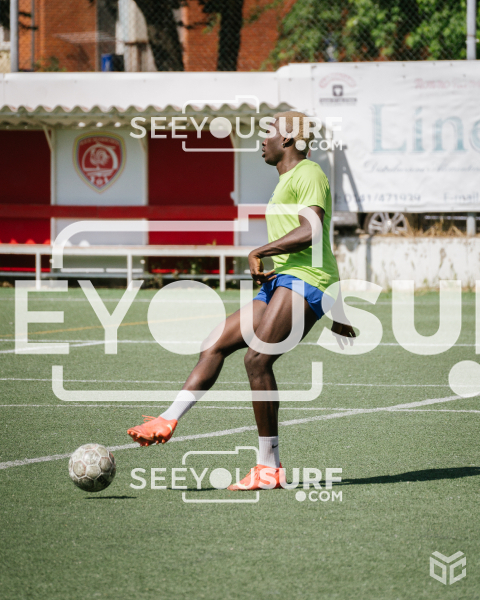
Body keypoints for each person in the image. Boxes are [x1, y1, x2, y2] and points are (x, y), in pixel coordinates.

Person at [127, 111, 355, 490]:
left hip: (306, 281)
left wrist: (260, 251)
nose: (262, 140)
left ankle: (269, 468)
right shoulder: (286, 180)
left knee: (257, 359)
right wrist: (339, 309)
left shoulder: (309, 172)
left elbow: (312, 232)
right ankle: (168, 418)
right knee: (214, 344)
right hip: (283, 281)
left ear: (288, 139)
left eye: (269, 132)